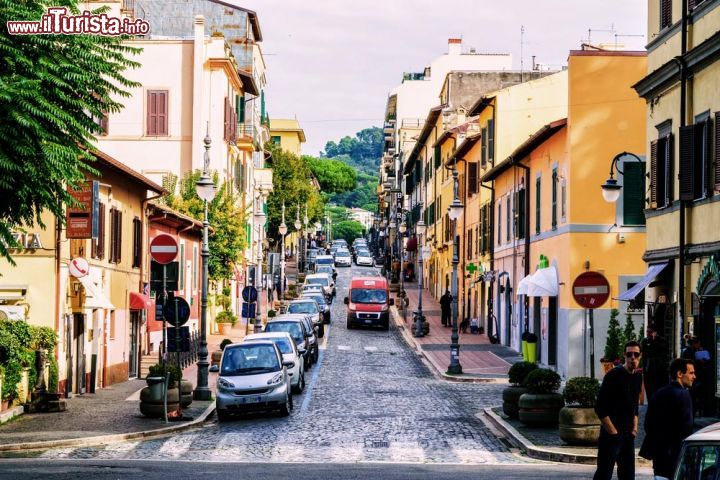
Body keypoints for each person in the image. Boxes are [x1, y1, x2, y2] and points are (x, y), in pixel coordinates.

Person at [593, 340, 643, 480]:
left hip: (628, 434)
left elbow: (635, 405)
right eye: (629, 354)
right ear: (624, 355)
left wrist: (635, 428)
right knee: (604, 473)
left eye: (636, 354)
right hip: (611, 434)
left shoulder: (638, 376)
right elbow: (600, 407)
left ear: (640, 356)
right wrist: (613, 433)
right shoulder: (613, 375)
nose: (632, 357)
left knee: (628, 474)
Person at [640, 358, 695, 479]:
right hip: (677, 456)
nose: (694, 376)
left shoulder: (658, 393)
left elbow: (648, 425)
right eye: (691, 373)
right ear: (679, 374)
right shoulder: (684, 395)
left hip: (659, 456)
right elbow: (687, 428)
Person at [641, 326, 669, 401]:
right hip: (648, 371)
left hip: (659, 371)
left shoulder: (662, 341)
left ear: (655, 332)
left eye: (650, 332)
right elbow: (644, 356)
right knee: (649, 392)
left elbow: (664, 353)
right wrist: (643, 369)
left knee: (659, 392)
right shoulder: (645, 341)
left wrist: (654, 341)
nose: (648, 334)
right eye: (647, 332)